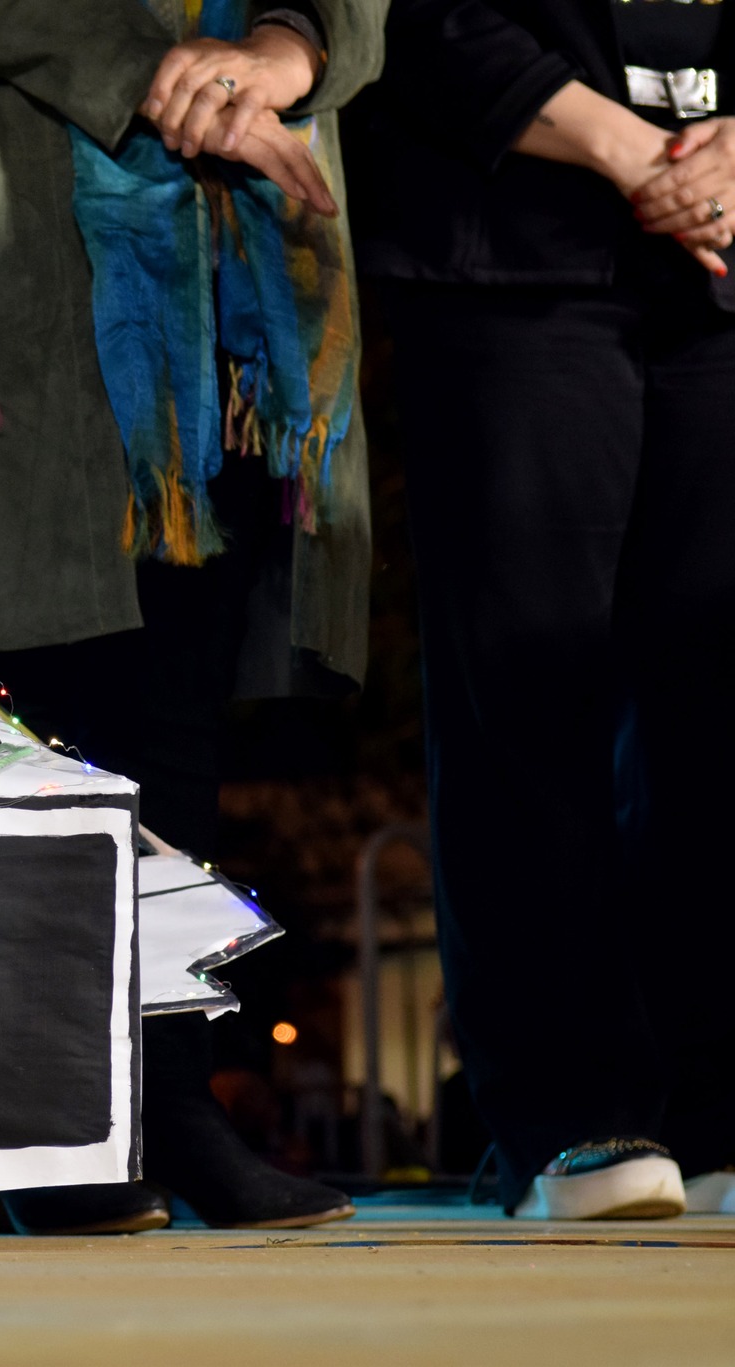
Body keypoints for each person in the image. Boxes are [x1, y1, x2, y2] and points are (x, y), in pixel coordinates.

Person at [0, 0, 384, 1232]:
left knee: (174, 712)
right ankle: (45, 1113)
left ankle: (157, 1096)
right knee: (33, 696)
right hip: (7, 215)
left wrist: (283, 53)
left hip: (233, 261)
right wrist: (147, 72)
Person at [348, 0, 735, 1219]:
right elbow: (410, 13)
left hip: (721, 267)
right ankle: (570, 1117)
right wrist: (630, 150)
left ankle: (717, 1111)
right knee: (523, 696)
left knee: (714, 699)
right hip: (507, 250)